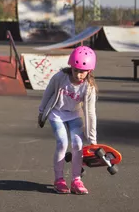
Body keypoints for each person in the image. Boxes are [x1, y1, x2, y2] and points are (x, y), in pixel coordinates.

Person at [38, 46, 98, 195]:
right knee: (62, 142)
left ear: (89, 71)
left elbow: (90, 113)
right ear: (71, 66)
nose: (78, 75)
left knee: (78, 144)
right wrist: (41, 112)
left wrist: (93, 139)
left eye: (82, 72)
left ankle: (76, 180)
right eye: (75, 70)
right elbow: (48, 93)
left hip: (75, 115)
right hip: (57, 114)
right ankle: (59, 179)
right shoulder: (60, 78)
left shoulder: (88, 87)